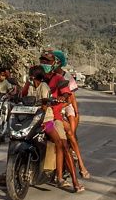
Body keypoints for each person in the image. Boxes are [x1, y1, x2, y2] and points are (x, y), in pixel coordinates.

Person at [41, 52, 85, 193]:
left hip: (51, 119)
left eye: (47, 62)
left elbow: (67, 95)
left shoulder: (59, 78)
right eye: (42, 61)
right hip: (34, 117)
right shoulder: (36, 77)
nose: (45, 64)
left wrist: (61, 99)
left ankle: (73, 181)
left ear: (54, 63)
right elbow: (23, 93)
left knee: (63, 144)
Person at [50, 50, 90, 180]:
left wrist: (75, 111)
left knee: (70, 133)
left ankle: (81, 165)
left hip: (65, 105)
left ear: (59, 63)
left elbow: (71, 97)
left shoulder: (67, 77)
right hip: (52, 105)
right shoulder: (48, 76)